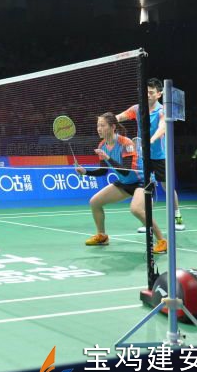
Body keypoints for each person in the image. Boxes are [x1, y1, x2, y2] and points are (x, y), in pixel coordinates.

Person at [75, 113, 168, 254]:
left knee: (136, 209)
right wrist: (85, 172)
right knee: (95, 202)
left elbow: (125, 171)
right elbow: (103, 171)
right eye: (98, 126)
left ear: (113, 127)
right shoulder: (102, 145)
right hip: (125, 183)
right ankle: (102, 236)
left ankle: (162, 241)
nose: (99, 129)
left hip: (142, 181)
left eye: (102, 125)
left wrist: (108, 158)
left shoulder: (126, 143)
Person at [116, 78, 185, 232]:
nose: (147, 95)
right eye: (145, 92)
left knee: (167, 187)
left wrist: (151, 140)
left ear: (159, 94)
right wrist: (107, 121)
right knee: (147, 188)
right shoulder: (137, 109)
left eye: (151, 92)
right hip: (143, 156)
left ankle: (177, 216)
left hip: (160, 156)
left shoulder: (162, 111)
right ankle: (148, 221)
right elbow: (120, 117)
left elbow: (162, 127)